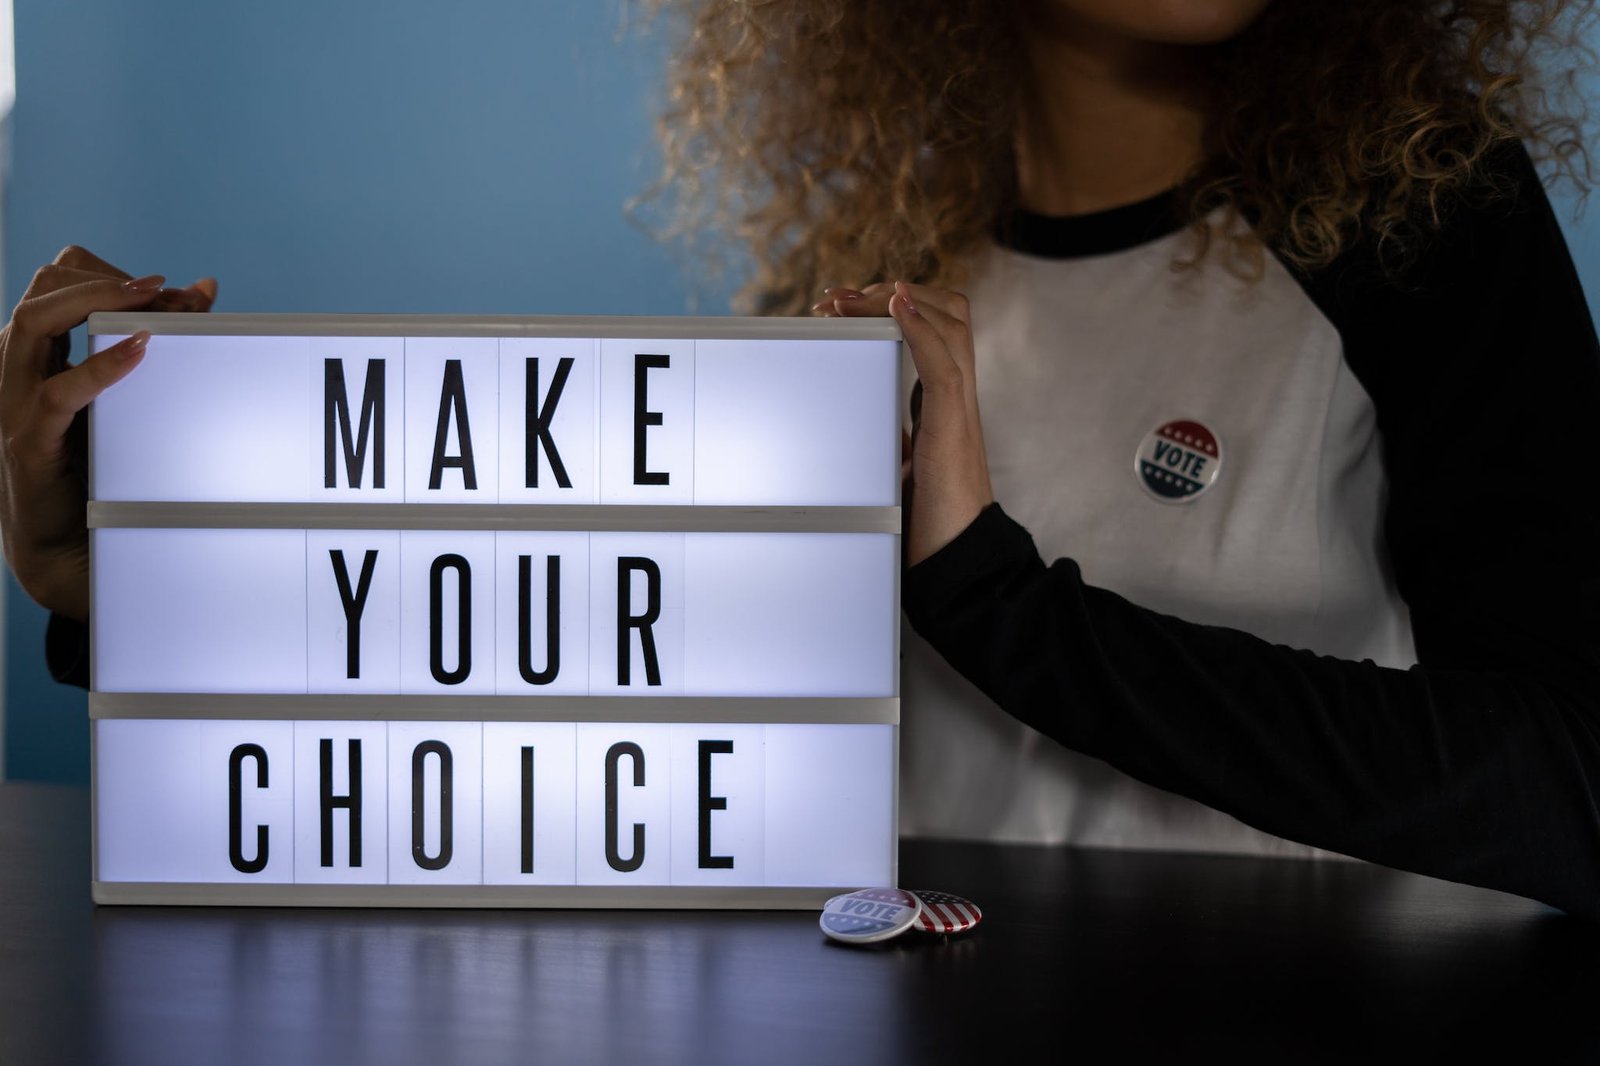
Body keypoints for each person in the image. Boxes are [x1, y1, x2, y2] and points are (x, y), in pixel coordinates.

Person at [5, 0, 1600, 918]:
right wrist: (136, 603)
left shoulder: (1426, 227)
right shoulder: (866, 279)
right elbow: (628, 750)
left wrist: (1007, 612)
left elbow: (1564, 789)